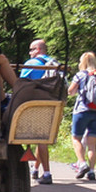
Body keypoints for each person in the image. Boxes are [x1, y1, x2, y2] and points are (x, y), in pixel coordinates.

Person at [20, 39, 61, 184]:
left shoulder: (32, 64)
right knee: (41, 137)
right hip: (54, 103)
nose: (30, 53)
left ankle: (48, 173)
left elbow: (21, 83)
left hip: (36, 103)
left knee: (40, 139)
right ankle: (35, 170)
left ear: (38, 49)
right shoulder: (54, 63)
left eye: (31, 50)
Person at [69, 51, 96, 181]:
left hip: (82, 111)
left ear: (82, 62)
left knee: (76, 139)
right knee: (92, 143)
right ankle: (91, 171)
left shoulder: (80, 75)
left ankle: (82, 163)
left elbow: (71, 92)